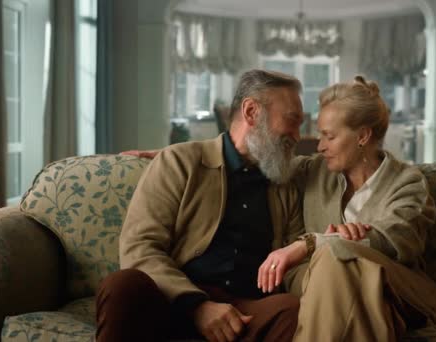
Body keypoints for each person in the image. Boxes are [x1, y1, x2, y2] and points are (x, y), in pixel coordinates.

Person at [95, 69, 306, 342]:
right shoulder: (179, 162)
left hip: (246, 315)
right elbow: (140, 246)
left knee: (291, 310)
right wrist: (196, 306)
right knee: (123, 285)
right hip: (173, 300)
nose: (298, 136)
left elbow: (295, 267)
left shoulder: (284, 183)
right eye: (292, 121)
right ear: (252, 112)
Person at [256, 76, 436, 341]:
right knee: (336, 270)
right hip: (334, 292)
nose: (320, 146)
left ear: (363, 136)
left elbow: (397, 239)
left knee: (333, 257)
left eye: (329, 136)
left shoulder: (407, 182)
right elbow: (258, 161)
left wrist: (312, 244)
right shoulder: (311, 172)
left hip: (396, 291)